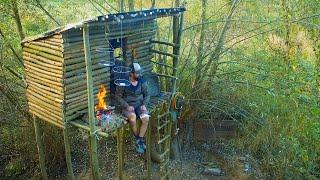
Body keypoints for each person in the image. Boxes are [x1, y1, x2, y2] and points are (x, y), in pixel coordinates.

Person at [115, 63, 150, 154]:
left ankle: (139, 140)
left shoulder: (142, 81)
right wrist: (126, 106)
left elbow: (147, 94)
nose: (139, 75)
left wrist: (144, 104)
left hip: (139, 105)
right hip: (128, 106)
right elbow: (118, 97)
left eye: (139, 73)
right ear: (131, 73)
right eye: (137, 73)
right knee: (133, 118)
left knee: (146, 118)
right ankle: (137, 138)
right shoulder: (123, 82)